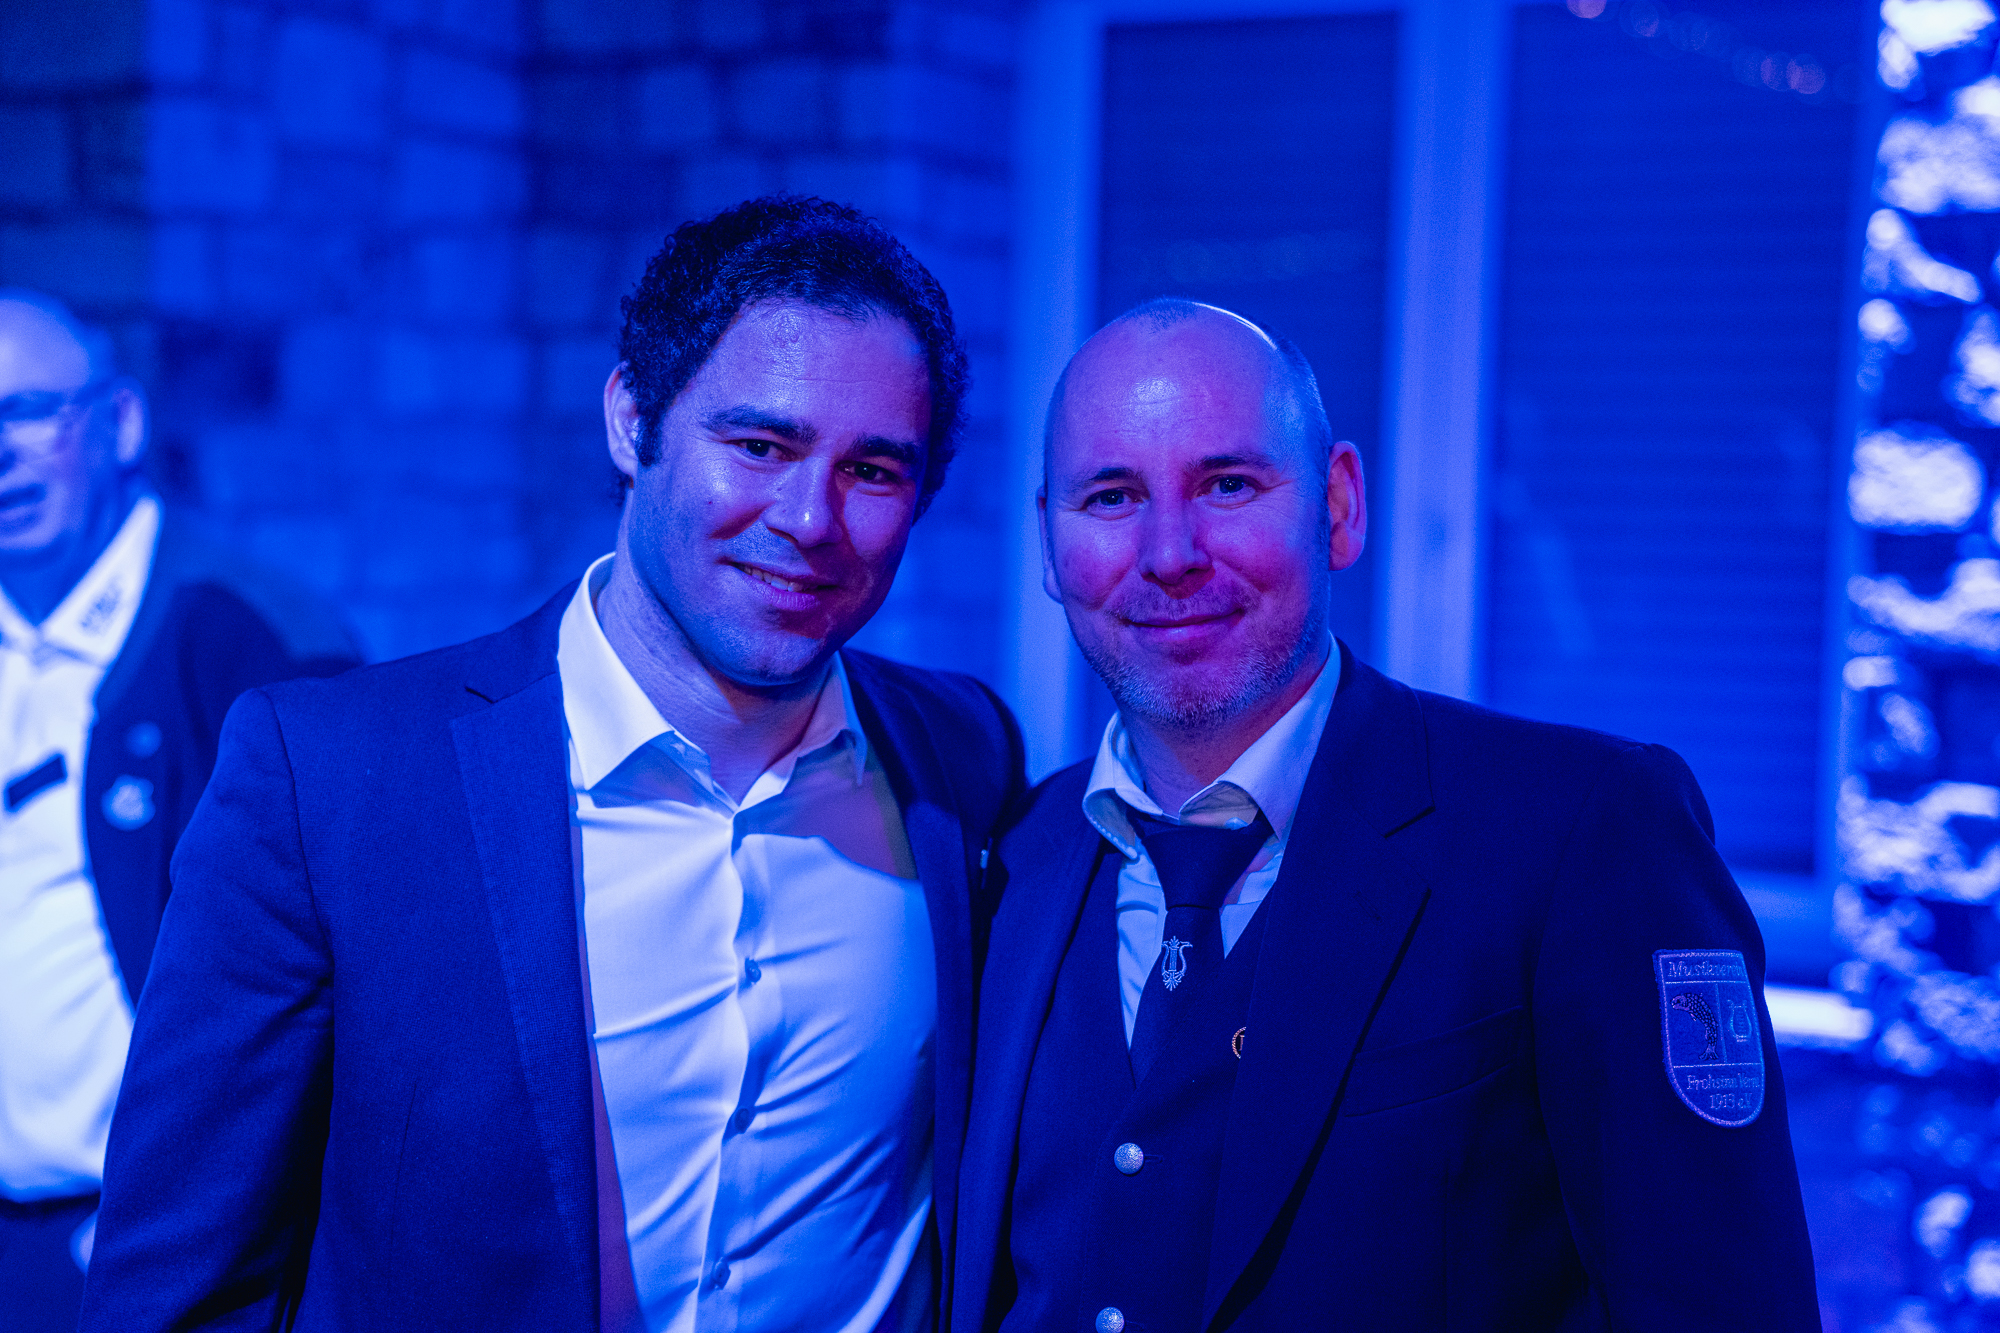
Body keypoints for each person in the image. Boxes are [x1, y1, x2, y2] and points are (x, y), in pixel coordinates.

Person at [77, 197, 1024, 1333]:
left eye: (872, 469)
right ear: (632, 420)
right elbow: (176, 1286)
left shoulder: (961, 757)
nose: (810, 518)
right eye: (759, 446)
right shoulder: (331, 779)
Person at [952, 299, 1818, 1332]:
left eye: (1227, 485)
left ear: (1339, 505)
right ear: (1048, 542)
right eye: (1110, 496)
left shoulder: (1584, 830)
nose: (1169, 551)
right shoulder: (1009, 859)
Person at [0, 291, 358, 1333]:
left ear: (118, 423)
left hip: (153, 1249)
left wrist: (192, 1229)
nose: (1, 454)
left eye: (27, 413)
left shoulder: (258, 640)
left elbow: (349, 973)